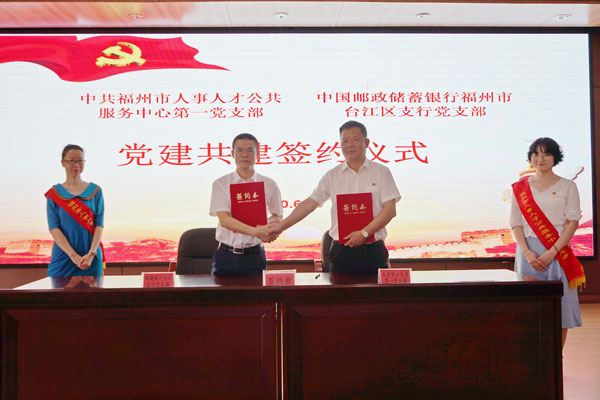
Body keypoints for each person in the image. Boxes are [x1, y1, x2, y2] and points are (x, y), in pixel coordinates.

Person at [271, 121, 401, 273]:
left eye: (355, 139)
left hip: (373, 251)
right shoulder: (332, 176)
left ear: (366, 143)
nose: (349, 145)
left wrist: (364, 233)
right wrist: (281, 226)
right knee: (338, 289)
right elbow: (310, 203)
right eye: (345, 141)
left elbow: (390, 210)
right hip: (342, 252)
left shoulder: (381, 172)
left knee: (379, 289)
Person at [510, 137, 585, 349]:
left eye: (546, 154)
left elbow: (572, 222)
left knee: (561, 310)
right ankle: (532, 357)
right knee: (528, 308)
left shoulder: (567, 186)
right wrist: (527, 252)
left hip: (557, 252)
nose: (540, 158)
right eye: (536, 154)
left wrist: (553, 251)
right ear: (530, 158)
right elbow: (515, 223)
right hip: (528, 254)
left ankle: (556, 358)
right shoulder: (520, 188)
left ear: (555, 158)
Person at [209, 133, 283, 276]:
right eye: (240, 150)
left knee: (257, 291)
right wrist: (256, 231)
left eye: (250, 150)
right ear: (232, 154)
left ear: (257, 154)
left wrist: (265, 225)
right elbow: (224, 220)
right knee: (220, 291)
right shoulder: (221, 184)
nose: (245, 155)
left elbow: (277, 216)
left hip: (254, 255)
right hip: (225, 255)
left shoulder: (269, 184)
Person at [45, 144, 104, 276]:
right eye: (71, 161)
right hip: (64, 256)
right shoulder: (54, 194)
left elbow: (99, 224)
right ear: (63, 163)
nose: (76, 165)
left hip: (90, 258)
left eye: (80, 161)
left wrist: (91, 253)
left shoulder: (95, 191)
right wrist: (74, 256)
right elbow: (54, 227)